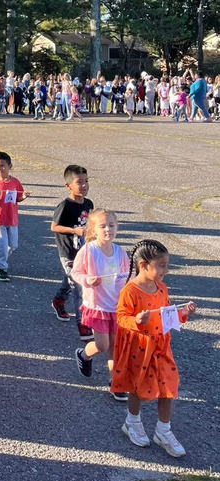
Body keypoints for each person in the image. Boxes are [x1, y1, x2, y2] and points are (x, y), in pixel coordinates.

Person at [113, 240, 197, 456]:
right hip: (139, 347)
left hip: (161, 346)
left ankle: (163, 430)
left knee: (169, 385)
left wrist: (182, 314)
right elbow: (122, 318)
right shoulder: (130, 291)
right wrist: (137, 321)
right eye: (161, 265)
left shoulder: (162, 288)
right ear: (143, 265)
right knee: (137, 387)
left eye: (166, 265)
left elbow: (166, 314)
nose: (165, 270)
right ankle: (132, 422)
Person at [71, 210, 131, 399]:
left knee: (115, 346)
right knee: (103, 345)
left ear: (117, 228)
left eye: (111, 226)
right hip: (97, 306)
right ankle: (83, 355)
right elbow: (76, 273)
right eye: (103, 226)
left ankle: (116, 382)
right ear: (94, 230)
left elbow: (130, 277)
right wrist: (88, 280)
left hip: (116, 307)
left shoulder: (121, 253)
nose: (108, 229)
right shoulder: (89, 250)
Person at [50, 165, 94, 339]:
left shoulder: (89, 204)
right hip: (67, 252)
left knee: (70, 282)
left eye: (86, 181)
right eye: (79, 182)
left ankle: (58, 301)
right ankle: (83, 324)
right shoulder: (65, 206)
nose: (84, 185)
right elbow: (54, 226)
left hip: (83, 251)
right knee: (79, 286)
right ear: (68, 185)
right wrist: (74, 231)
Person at [0, 151, 29, 282]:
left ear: (10, 166)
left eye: (2, 165)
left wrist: (24, 196)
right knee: (2, 245)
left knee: (13, 245)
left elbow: (18, 198)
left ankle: (2, 258)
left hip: (12, 219)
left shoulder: (15, 182)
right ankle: (2, 268)